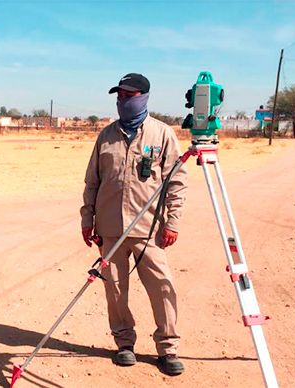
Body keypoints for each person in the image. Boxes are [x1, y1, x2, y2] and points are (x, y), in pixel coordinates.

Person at [80, 73, 188, 376]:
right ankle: (124, 344)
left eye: (129, 96)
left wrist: (173, 221)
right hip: (110, 228)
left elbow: (176, 182)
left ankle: (168, 348)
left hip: (148, 229)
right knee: (115, 291)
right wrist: (87, 218)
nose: (122, 101)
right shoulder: (106, 136)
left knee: (163, 287)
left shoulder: (163, 134)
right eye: (120, 96)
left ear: (144, 97)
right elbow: (92, 181)